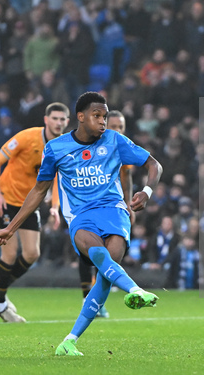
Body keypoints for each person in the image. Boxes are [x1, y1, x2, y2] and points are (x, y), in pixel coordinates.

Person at [0, 92, 163, 357]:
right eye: (97, 116)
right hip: (81, 217)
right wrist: (11, 228)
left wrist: (147, 192)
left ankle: (69, 341)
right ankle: (135, 289)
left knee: (106, 273)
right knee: (99, 256)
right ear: (80, 117)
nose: (103, 122)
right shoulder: (56, 148)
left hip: (114, 212)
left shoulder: (114, 140)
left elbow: (154, 165)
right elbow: (38, 191)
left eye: (105, 117)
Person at [0, 102, 69, 323]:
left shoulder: (64, 146)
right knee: (10, 254)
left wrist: (55, 207)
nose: (59, 123)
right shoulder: (26, 137)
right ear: (46, 120)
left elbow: (57, 178)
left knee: (32, 254)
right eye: (55, 118)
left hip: (30, 203)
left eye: (63, 119)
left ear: (67, 122)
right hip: (7, 200)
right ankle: (1, 303)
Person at [77, 110, 133, 318]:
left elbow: (126, 176)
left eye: (121, 127)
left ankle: (96, 298)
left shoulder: (121, 146)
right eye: (115, 127)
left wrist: (128, 204)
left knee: (109, 252)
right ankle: (88, 296)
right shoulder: (88, 146)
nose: (118, 131)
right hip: (86, 208)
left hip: (112, 208)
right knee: (87, 253)